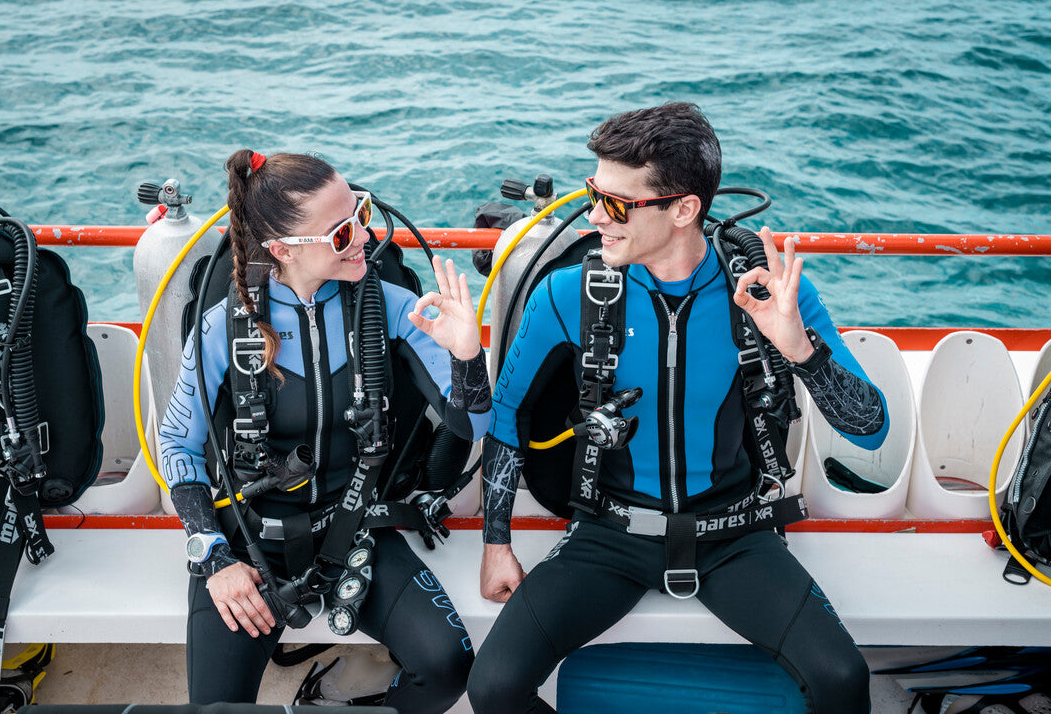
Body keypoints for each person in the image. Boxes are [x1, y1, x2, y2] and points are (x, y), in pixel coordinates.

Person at [467, 102, 889, 714]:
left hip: (735, 532)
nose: (592, 217)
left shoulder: (767, 291)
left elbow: (871, 429)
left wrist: (799, 348)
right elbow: (507, 417)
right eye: (592, 193)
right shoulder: (568, 292)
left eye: (615, 204)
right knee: (493, 687)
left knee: (844, 679)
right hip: (609, 531)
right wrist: (496, 541)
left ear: (684, 208)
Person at [158, 150, 490, 712]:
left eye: (358, 213)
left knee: (449, 664)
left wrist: (467, 357)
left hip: (354, 528)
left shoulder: (389, 306)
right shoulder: (225, 327)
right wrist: (213, 557)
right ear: (284, 250)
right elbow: (178, 447)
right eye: (341, 232)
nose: (362, 235)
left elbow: (471, 423)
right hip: (249, 541)